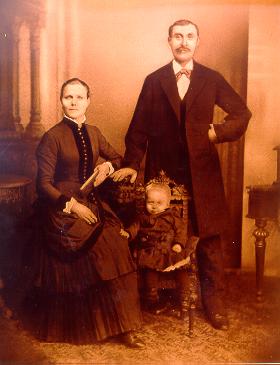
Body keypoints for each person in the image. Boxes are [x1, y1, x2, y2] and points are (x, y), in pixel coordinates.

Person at [112, 19, 252, 330]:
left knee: (209, 239)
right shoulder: (154, 81)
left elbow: (241, 114)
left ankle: (214, 304)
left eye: (189, 36)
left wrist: (218, 132)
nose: (183, 42)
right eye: (178, 36)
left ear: (197, 41)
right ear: (169, 41)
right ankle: (160, 296)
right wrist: (133, 166)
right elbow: (137, 131)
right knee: (161, 234)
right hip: (164, 175)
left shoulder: (211, 78)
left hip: (202, 173)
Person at [21, 78, 144, 348]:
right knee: (99, 249)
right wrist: (73, 206)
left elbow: (117, 158)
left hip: (90, 201)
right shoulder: (52, 137)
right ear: (61, 100)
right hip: (60, 209)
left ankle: (124, 325)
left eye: (79, 97)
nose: (74, 102)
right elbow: (43, 185)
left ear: (88, 100)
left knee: (117, 243)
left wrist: (107, 168)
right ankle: (88, 327)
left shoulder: (94, 132)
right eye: (68, 97)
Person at [120, 182, 198, 318]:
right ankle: (153, 298)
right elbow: (135, 227)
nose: (154, 206)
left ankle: (185, 298)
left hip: (170, 249)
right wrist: (128, 233)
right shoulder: (143, 217)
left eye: (159, 203)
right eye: (150, 202)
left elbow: (181, 231)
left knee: (181, 270)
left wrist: (178, 243)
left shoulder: (172, 216)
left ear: (167, 204)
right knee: (150, 272)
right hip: (152, 251)